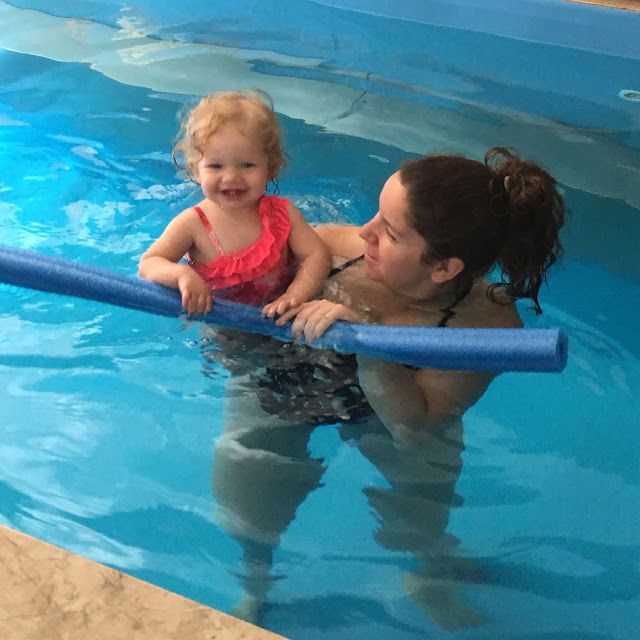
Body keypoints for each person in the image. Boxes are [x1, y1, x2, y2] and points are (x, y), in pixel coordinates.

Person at [208, 147, 565, 627]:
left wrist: (365, 340)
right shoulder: (333, 250)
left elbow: (415, 427)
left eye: (390, 233)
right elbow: (237, 289)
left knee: (424, 496)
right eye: (376, 214)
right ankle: (256, 582)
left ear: (444, 268)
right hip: (285, 377)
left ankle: (430, 571)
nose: (365, 232)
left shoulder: (486, 327)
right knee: (247, 497)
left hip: (390, 408)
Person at [138, 90, 330, 316]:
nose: (231, 177)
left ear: (271, 169)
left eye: (247, 165)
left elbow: (316, 255)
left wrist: (295, 295)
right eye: (216, 166)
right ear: (195, 170)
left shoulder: (282, 213)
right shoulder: (193, 224)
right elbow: (149, 263)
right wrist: (182, 275)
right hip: (227, 330)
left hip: (284, 316)